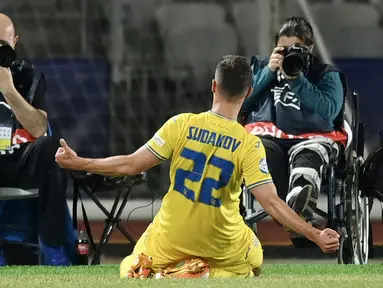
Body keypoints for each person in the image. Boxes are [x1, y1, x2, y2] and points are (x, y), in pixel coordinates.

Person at [56, 55, 340, 278]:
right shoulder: (249, 143)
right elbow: (272, 204)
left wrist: (78, 161)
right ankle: (208, 274)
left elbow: (130, 164)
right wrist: (315, 234)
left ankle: (164, 271)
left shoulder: (180, 124)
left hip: (171, 239)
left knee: (133, 262)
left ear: (213, 85)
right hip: (220, 244)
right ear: (249, 92)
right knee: (253, 259)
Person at [240, 17, 348, 228]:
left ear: (310, 48)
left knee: (309, 156)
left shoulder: (326, 74)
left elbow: (328, 112)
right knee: (262, 152)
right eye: (283, 49)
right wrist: (268, 72)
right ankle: (293, 215)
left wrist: (297, 80)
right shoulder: (262, 68)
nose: (289, 54)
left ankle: (299, 202)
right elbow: (239, 103)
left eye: (296, 49)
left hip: (312, 137)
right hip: (269, 135)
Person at [0, 14, 70, 265]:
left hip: (16, 160)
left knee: (52, 146)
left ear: (14, 42)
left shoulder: (28, 76)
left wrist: (8, 89)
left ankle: (53, 247)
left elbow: (40, 129)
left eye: (1, 46)